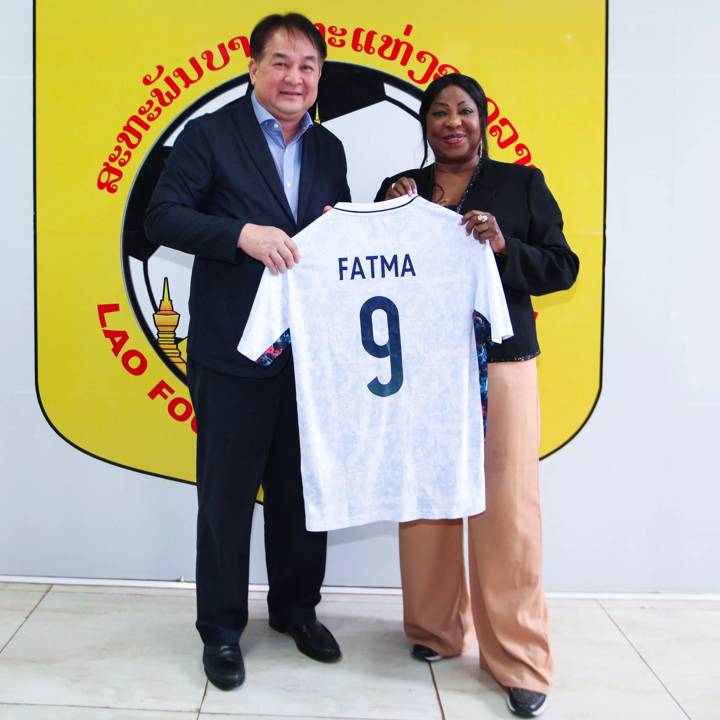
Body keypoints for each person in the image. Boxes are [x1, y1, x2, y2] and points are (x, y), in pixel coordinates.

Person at [145, 13, 350, 690]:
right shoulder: (207, 136)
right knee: (228, 498)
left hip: (309, 356)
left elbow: (334, 233)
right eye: (283, 62)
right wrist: (240, 234)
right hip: (233, 352)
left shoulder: (329, 150)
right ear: (253, 66)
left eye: (309, 66)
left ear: (320, 77)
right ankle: (222, 631)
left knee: (302, 494)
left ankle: (296, 609)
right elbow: (163, 216)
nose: (296, 77)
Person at [375, 73, 579, 718]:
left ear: (483, 119)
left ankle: (518, 660)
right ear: (425, 125)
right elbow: (373, 269)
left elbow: (560, 266)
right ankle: (435, 632)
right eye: (438, 112)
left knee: (507, 510)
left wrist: (503, 245)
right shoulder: (399, 188)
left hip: (502, 362)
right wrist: (388, 211)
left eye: (463, 110)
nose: (451, 121)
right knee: (428, 500)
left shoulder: (522, 184)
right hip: (426, 370)